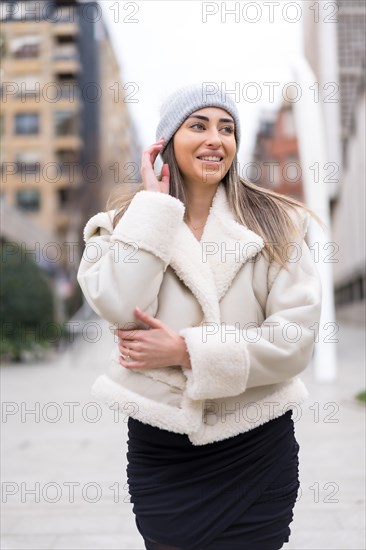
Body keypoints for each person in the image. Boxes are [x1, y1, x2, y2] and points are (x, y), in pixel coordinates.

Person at [77, 83, 324, 550]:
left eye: (226, 128)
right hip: (164, 448)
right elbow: (117, 304)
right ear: (166, 142)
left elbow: (295, 340)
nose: (216, 138)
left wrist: (186, 351)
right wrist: (154, 209)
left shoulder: (274, 223)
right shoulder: (123, 224)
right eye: (199, 125)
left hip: (256, 442)